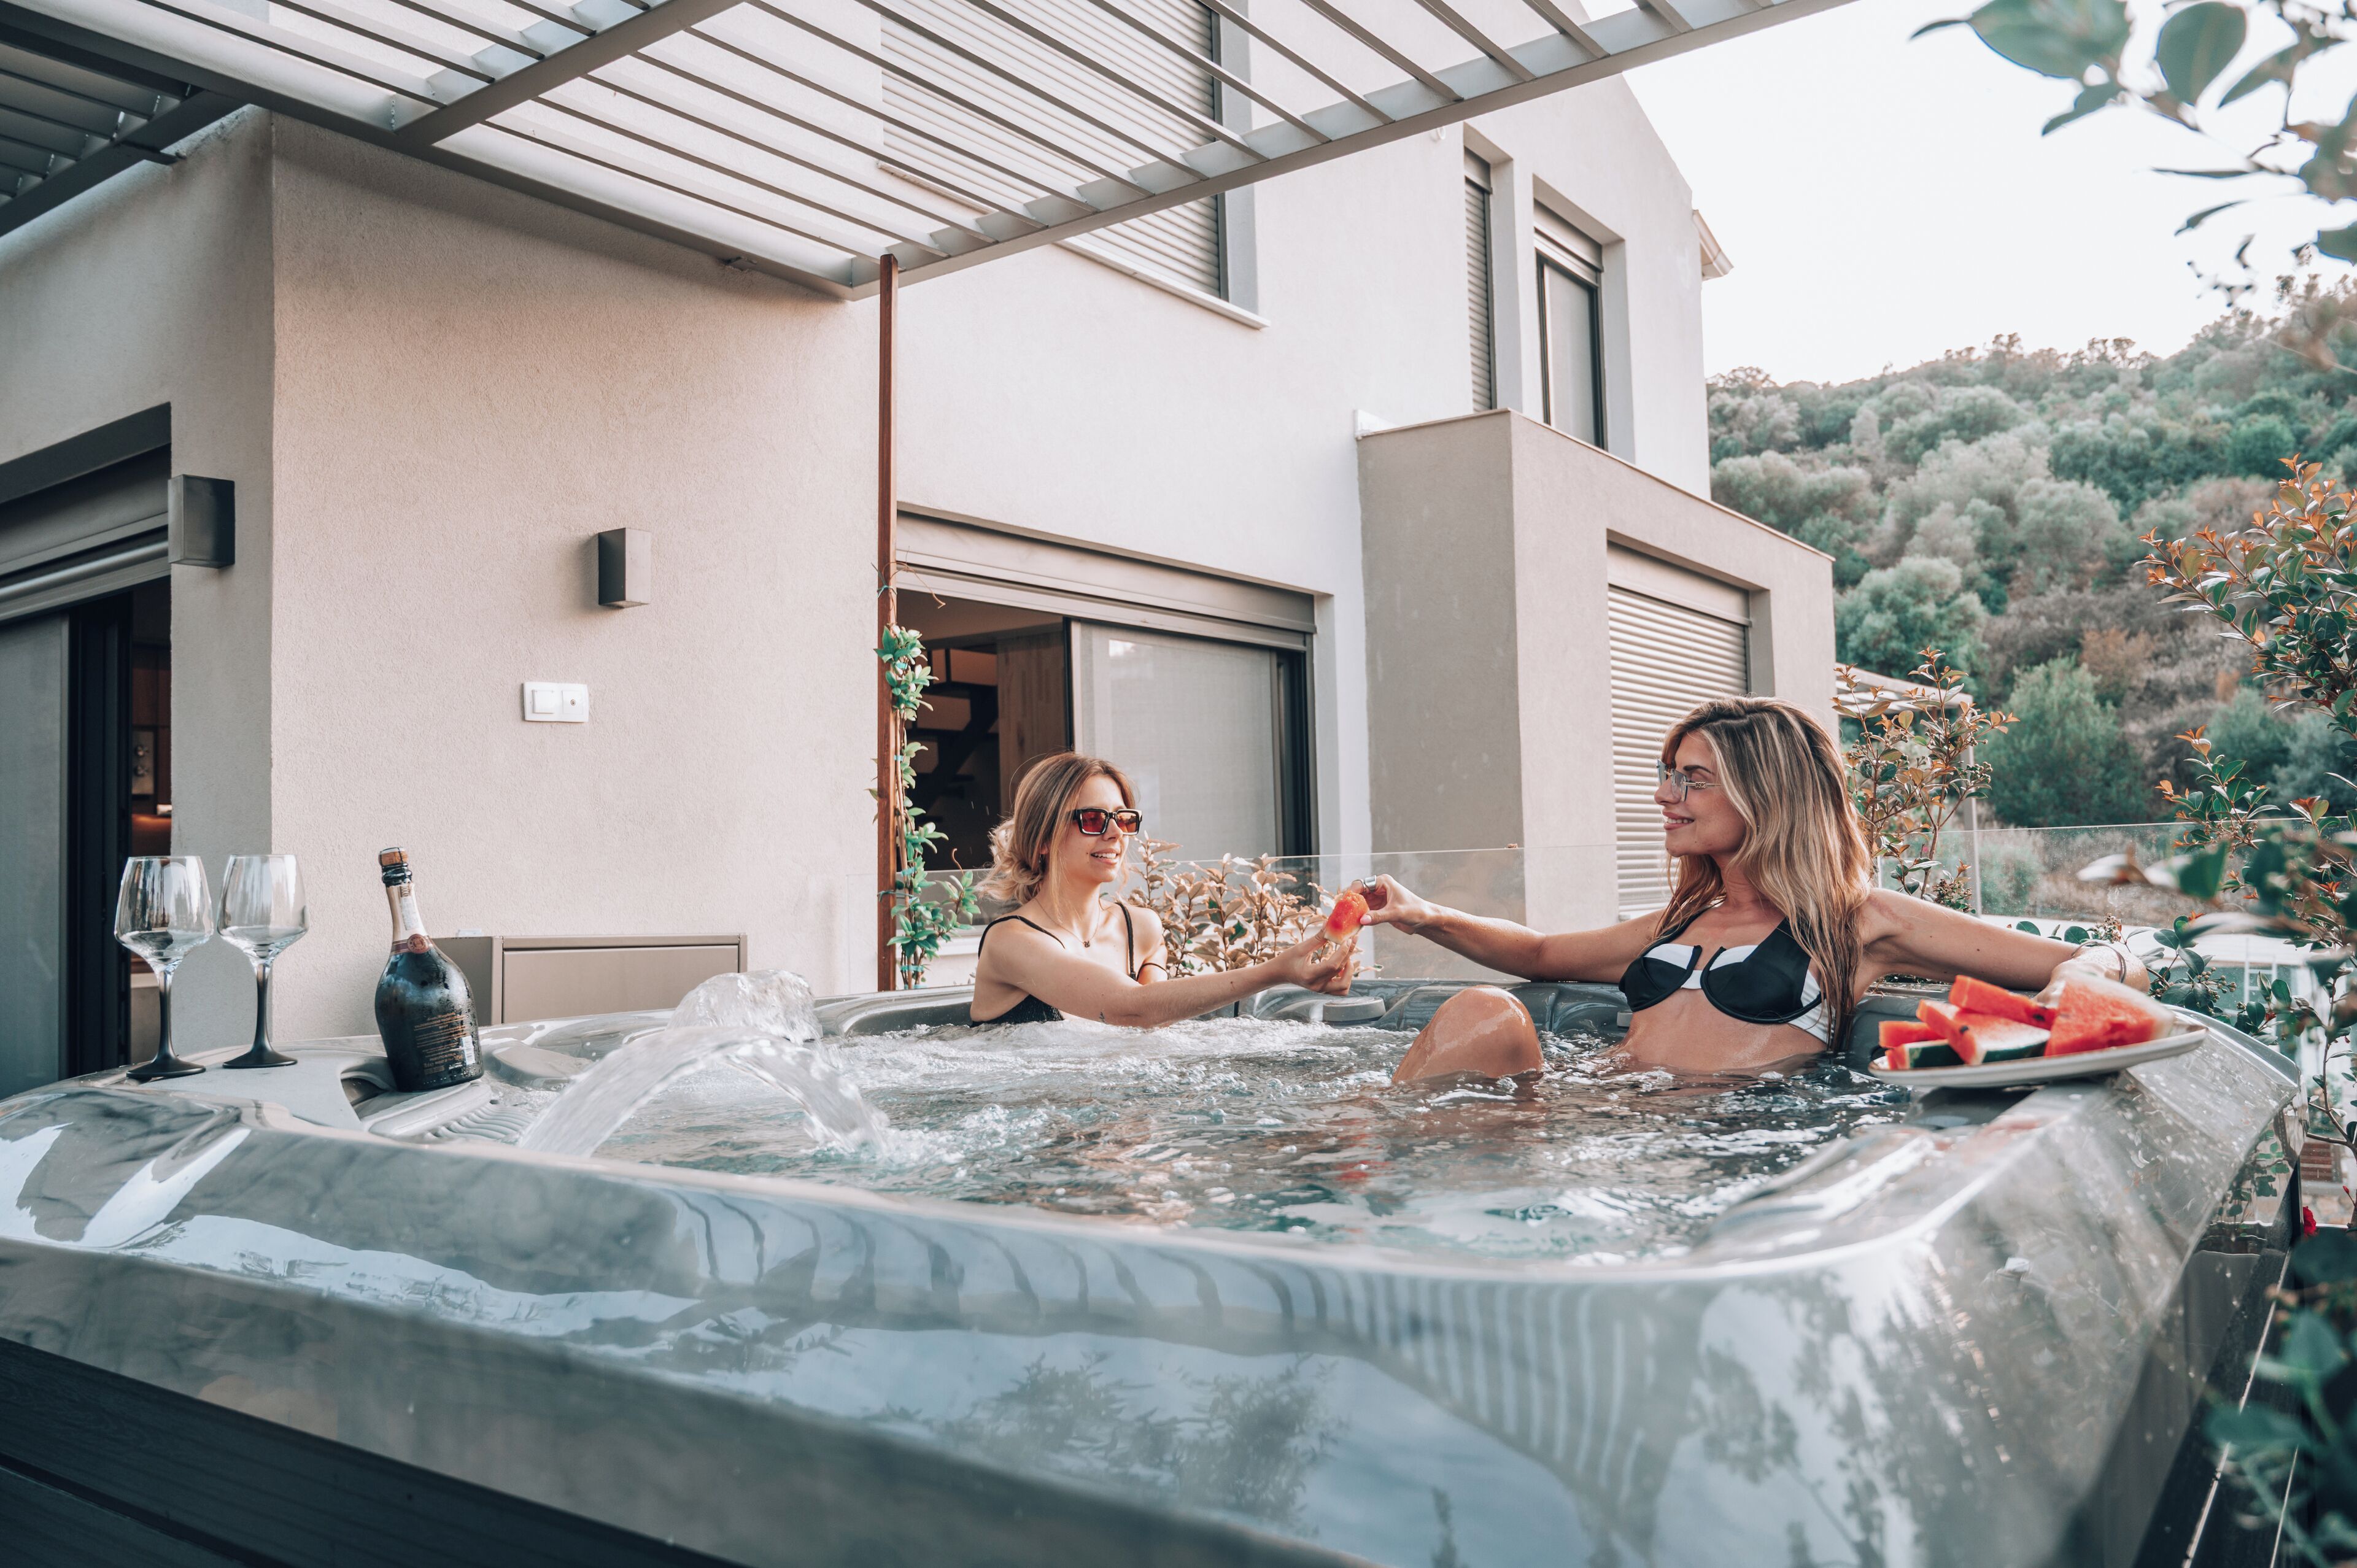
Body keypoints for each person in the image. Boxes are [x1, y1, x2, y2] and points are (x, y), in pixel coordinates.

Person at [1367, 697, 2145, 1081]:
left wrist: (2081, 972)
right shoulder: (1682, 923)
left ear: (1765, 795)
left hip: (1730, 1139)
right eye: (1668, 776)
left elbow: (2113, 960)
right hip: (1605, 1116)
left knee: (1481, 1015)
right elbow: (1538, 953)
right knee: (1482, 1012)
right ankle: (1365, 1168)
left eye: (1693, 780)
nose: (1666, 796)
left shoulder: (1859, 921)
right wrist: (1421, 912)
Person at [968, 752, 1352, 1026]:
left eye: (1123, 819)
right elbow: (1131, 1008)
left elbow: (1152, 1037)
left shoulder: (1141, 929)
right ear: (1043, 839)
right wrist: (1277, 971)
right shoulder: (1011, 942)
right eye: (1092, 819)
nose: (1116, 833)